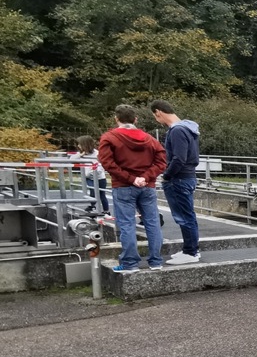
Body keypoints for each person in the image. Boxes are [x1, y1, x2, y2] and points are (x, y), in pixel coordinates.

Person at [98, 104, 166, 273]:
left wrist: (131, 178)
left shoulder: (109, 138)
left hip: (123, 186)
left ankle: (130, 264)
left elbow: (107, 163)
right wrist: (146, 177)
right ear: (136, 119)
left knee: (127, 224)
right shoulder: (150, 139)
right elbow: (161, 161)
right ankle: (156, 261)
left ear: (116, 119)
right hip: (147, 186)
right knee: (152, 223)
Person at [150, 99, 201, 264]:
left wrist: (166, 175)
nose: (157, 120)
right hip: (188, 176)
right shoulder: (188, 128)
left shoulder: (177, 131)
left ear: (158, 112)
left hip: (179, 178)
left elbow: (179, 158)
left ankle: (191, 253)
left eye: (155, 116)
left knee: (184, 217)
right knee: (188, 216)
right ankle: (190, 249)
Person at [71, 135, 109, 215]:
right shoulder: (81, 154)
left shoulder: (97, 154)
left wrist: (92, 172)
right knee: (93, 190)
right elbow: (71, 160)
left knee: (102, 194)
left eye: (80, 144)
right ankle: (92, 206)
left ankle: (106, 210)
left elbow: (100, 166)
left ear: (86, 144)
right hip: (88, 177)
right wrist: (80, 155)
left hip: (100, 177)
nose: (78, 146)